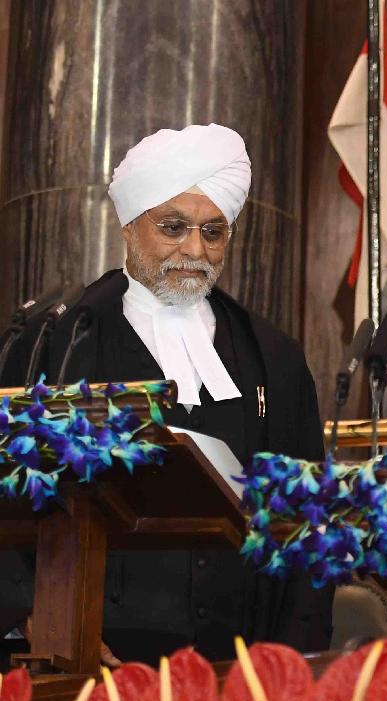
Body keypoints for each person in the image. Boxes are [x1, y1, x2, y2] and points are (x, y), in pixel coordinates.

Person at [0, 124, 330, 662]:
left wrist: (292, 663)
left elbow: (309, 521)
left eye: (213, 231)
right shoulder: (56, 341)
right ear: (130, 226)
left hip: (239, 668)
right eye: (173, 227)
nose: (194, 249)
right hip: (93, 660)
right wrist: (38, 617)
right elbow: (9, 492)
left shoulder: (276, 359)